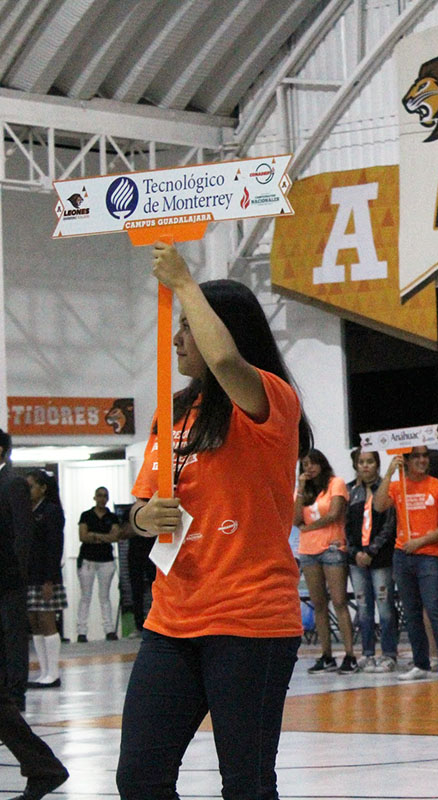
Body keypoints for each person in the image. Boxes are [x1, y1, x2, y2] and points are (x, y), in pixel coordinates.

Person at [116, 241, 312, 800]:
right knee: (140, 780)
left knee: (246, 786)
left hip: (249, 621)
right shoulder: (172, 410)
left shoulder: (270, 399)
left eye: (189, 326)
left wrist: (184, 281)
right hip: (172, 620)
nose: (178, 338)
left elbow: (226, 363)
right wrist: (142, 515)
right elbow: (141, 505)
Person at [0, 428, 69, 799]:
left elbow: (21, 538)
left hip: (7, 586)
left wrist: (19, 580)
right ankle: (43, 768)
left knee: (22, 636)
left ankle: (44, 767)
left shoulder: (11, 485)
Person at [374, 446, 438, 682]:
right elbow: (379, 506)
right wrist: (389, 474)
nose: (422, 460)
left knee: (434, 610)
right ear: (406, 461)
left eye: (424, 456)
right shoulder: (397, 485)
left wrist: (420, 541)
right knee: (410, 613)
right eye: (416, 457)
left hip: (429, 556)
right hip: (402, 556)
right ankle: (420, 663)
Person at [294, 449, 355, 674]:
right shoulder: (306, 491)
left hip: (332, 548)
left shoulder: (335, 483)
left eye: (312, 464)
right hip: (308, 551)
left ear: (322, 463)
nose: (309, 468)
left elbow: (335, 513)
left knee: (339, 601)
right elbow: (294, 519)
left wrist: (308, 528)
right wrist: (300, 488)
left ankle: (349, 655)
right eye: (305, 465)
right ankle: (326, 655)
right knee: (319, 604)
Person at [346, 448, 398, 673]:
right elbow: (345, 527)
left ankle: (389, 654)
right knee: (364, 607)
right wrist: (355, 552)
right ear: (356, 465)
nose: (365, 466)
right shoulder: (350, 492)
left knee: (385, 607)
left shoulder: (385, 490)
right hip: (356, 560)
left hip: (380, 558)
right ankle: (367, 654)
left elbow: (389, 525)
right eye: (361, 462)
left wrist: (371, 551)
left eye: (370, 462)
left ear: (377, 465)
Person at [25, 471, 65, 689]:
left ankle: (53, 672)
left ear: (43, 488)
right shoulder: (30, 511)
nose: (28, 491)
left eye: (31, 486)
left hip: (45, 575)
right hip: (30, 574)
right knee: (34, 622)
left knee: (47, 620)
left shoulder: (51, 512)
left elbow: (54, 546)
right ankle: (44, 671)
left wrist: (49, 579)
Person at [76, 486, 121, 642]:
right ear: (94, 497)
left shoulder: (112, 517)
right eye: (99, 495)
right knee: (85, 597)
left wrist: (94, 535)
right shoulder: (86, 515)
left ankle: (109, 630)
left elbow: (115, 536)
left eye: (105, 496)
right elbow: (82, 536)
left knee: (104, 596)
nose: (102, 498)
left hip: (106, 561)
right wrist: (104, 537)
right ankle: (81, 631)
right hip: (88, 560)